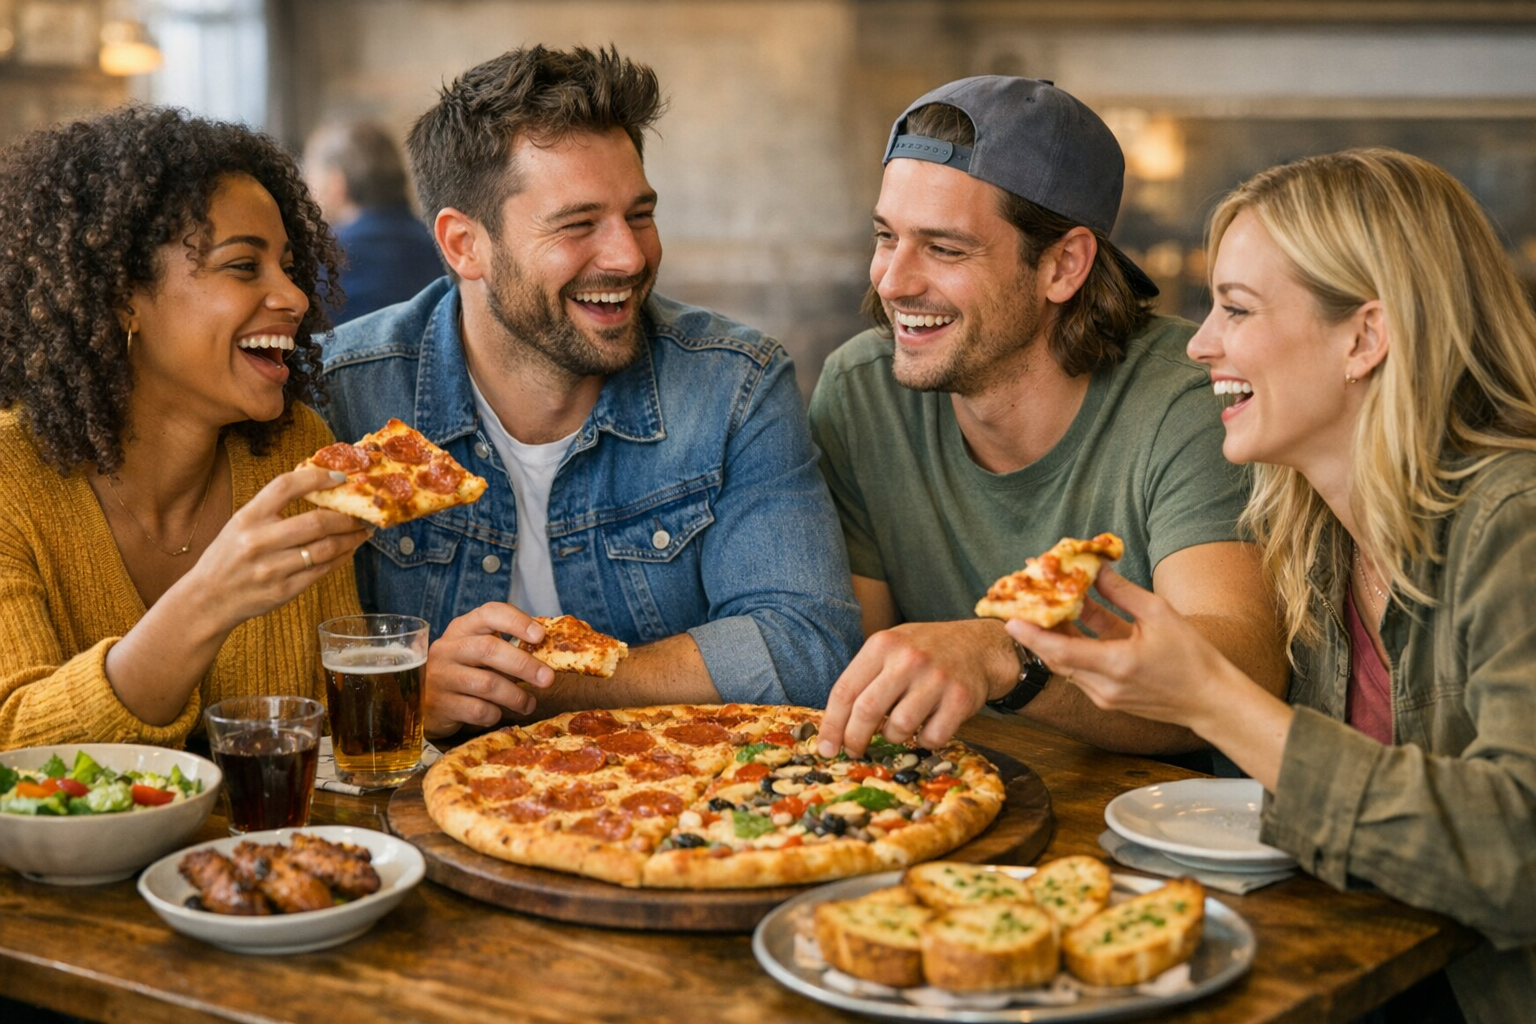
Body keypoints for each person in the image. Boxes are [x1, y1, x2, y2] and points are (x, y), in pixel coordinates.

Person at [1008, 149, 1536, 1024]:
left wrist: (1210, 695)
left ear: (1365, 337)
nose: (1200, 341)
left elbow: (1516, 857)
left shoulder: (1513, 523)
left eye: (1236, 309)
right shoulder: (1315, 529)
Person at [320, 45, 862, 738]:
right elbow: (271, 680)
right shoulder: (345, 395)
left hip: (670, 815)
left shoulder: (736, 383)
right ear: (464, 245)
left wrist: (559, 684)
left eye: (639, 214)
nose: (630, 257)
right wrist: (403, 693)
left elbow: (806, 644)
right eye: (579, 225)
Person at [808, 77, 1288, 759]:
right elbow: (855, 670)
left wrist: (1008, 658)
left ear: (1064, 266)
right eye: (887, 236)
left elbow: (1244, 671)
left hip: (1155, 832)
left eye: (944, 249)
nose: (891, 280)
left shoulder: (1187, 401)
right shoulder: (861, 392)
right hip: (941, 809)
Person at [0, 106, 370, 749]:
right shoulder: (11, 479)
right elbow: (15, 746)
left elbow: (341, 727)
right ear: (123, 297)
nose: (295, 297)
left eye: (287, 265)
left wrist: (423, 687)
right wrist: (209, 599)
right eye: (243, 266)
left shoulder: (294, 452)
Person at [303, 120, 443, 324]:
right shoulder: (442, 246)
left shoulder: (322, 258)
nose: (307, 190)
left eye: (311, 178)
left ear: (336, 184)